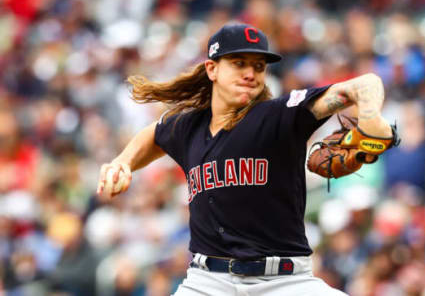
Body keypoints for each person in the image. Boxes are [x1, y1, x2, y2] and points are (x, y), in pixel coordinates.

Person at [97, 23, 393, 295]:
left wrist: (369, 116)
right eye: (239, 64)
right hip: (207, 282)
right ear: (212, 69)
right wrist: (123, 162)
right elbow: (153, 134)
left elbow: (364, 84)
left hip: (284, 282)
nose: (251, 73)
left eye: (259, 66)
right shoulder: (189, 127)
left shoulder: (280, 114)